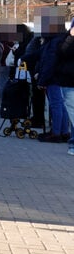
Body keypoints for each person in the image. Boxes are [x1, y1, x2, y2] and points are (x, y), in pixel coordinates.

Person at [36, 11, 72, 142]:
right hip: (59, 76)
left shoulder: (52, 42)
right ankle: (63, 131)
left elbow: (49, 62)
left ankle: (56, 132)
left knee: (56, 104)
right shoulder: (61, 39)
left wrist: (42, 80)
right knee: (61, 105)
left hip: (53, 77)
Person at [53, 17, 74, 156]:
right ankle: (73, 144)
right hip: (70, 81)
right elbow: (62, 53)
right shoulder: (66, 39)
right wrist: (71, 38)